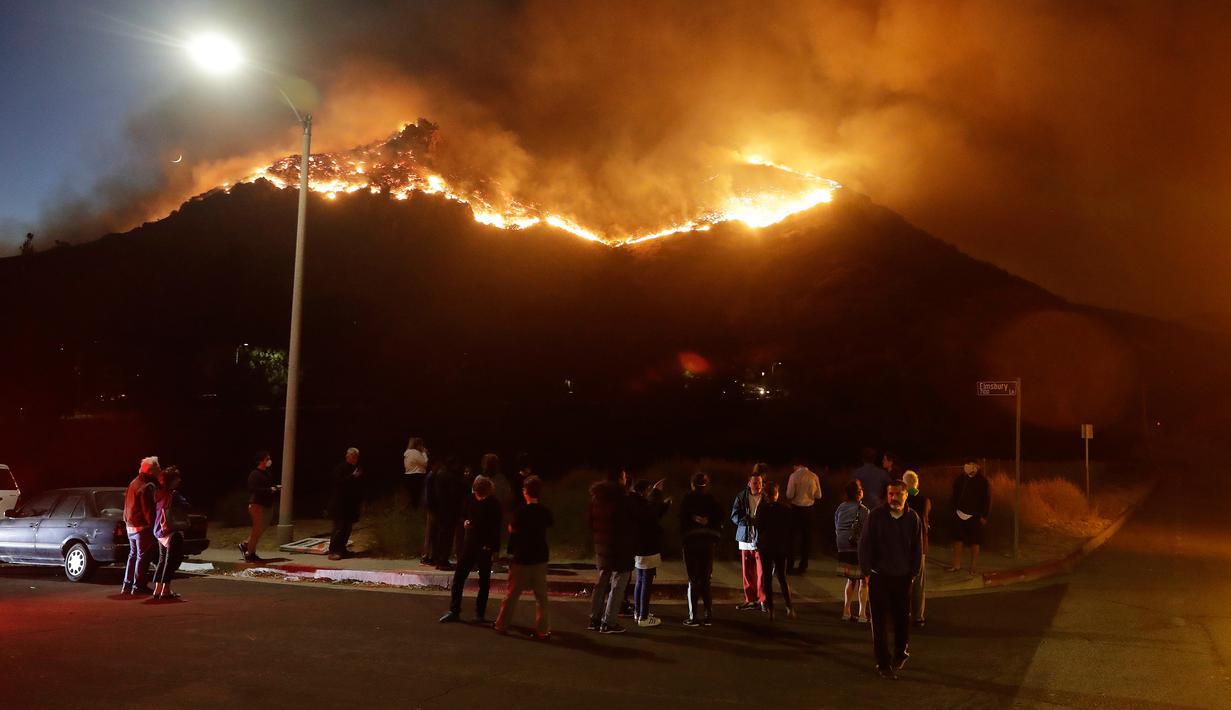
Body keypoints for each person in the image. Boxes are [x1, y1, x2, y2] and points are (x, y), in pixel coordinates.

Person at [859, 479, 923, 680]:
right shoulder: (876, 516)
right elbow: (864, 545)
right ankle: (883, 663)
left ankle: (900, 652)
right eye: (890, 494)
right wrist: (866, 572)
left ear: (906, 494)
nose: (894, 498)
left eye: (898, 494)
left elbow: (917, 548)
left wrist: (912, 573)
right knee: (878, 622)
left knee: (901, 619)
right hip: (879, 576)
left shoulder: (913, 518)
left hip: (903, 577)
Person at [495, 476, 553, 639]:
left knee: (512, 595)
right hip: (540, 557)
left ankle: (502, 624)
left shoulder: (521, 512)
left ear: (525, 491)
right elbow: (549, 523)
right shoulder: (544, 511)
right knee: (541, 597)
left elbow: (513, 529)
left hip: (523, 557)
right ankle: (543, 629)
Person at [440, 475, 503, 624]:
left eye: (482, 495)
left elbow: (496, 528)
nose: (479, 497)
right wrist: (465, 522)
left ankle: (479, 614)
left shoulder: (494, 504)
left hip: (485, 546)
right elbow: (462, 515)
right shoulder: (470, 499)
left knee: (484, 581)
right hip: (469, 544)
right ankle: (454, 611)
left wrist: (494, 548)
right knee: (459, 578)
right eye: (477, 494)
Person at [587, 469, 635, 634]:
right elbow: (628, 522)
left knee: (601, 582)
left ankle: (594, 618)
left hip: (602, 546)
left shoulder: (596, 498)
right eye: (623, 476)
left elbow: (590, 521)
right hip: (620, 547)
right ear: (619, 480)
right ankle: (609, 622)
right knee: (618, 585)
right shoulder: (622, 499)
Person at [679, 471, 722, 627]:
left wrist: (693, 519)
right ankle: (708, 615)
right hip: (708, 542)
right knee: (705, 579)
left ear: (692, 484)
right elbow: (720, 518)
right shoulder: (712, 499)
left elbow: (681, 519)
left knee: (693, 579)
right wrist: (709, 523)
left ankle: (693, 616)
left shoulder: (687, 499)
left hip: (691, 542)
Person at [631, 479, 670, 628]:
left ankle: (638, 611)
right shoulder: (642, 505)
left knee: (640, 580)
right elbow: (654, 513)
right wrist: (659, 495)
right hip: (648, 547)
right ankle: (643, 616)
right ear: (645, 491)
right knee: (646, 582)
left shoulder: (635, 503)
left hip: (639, 547)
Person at [755, 482, 795, 620]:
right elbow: (790, 529)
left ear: (766, 495)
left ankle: (771, 608)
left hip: (766, 545)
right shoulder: (786, 509)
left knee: (767, 577)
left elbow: (759, 527)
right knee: (782, 577)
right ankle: (789, 606)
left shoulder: (762, 509)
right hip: (781, 546)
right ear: (777, 494)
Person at [731, 464, 767, 611]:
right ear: (749, 483)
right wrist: (748, 521)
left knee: (762, 572)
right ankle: (750, 599)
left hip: (761, 540)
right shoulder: (741, 496)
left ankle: (762, 600)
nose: (758, 485)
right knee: (747, 572)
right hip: (745, 539)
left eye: (760, 482)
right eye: (755, 482)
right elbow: (734, 516)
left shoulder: (766, 497)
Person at [121, 456, 160, 595]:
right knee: (142, 557)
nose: (159, 471)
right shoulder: (147, 486)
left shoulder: (133, 483)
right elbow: (148, 509)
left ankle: (127, 585)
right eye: (157, 468)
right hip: (142, 526)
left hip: (130, 525)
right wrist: (154, 526)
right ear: (151, 471)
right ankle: (138, 586)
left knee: (133, 555)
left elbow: (127, 504)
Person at [151, 465, 190, 600]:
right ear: (172, 480)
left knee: (162, 560)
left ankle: (157, 589)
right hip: (172, 530)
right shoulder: (174, 495)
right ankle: (166, 589)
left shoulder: (159, 493)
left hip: (160, 531)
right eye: (177, 478)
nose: (179, 480)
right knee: (171, 561)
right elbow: (186, 505)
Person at [835, 480, 870, 622]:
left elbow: (836, 526)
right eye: (860, 489)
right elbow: (868, 531)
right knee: (864, 581)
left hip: (843, 545)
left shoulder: (840, 508)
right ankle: (862, 614)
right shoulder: (863, 510)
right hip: (858, 547)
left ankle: (846, 611)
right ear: (858, 493)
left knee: (851, 580)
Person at [949, 460, 991, 574]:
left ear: (977, 467)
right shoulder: (961, 479)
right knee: (958, 540)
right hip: (959, 513)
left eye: (971, 465)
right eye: (967, 464)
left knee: (975, 542)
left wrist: (984, 515)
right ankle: (956, 565)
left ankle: (973, 567)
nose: (968, 467)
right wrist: (953, 510)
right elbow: (954, 495)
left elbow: (986, 499)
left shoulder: (982, 481)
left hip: (975, 515)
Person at [903, 470, 931, 626]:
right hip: (920, 545)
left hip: (904, 545)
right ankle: (918, 616)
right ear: (916, 484)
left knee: (904, 580)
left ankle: (903, 611)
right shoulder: (924, 500)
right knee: (919, 582)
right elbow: (926, 520)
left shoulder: (903, 499)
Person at [426, 459, 465, 570]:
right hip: (449, 511)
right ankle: (443, 560)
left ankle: (439, 559)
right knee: (447, 536)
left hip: (441, 510)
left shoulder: (439, 475)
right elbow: (454, 494)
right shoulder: (451, 477)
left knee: (441, 535)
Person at [241, 451, 279, 563]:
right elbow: (253, 489)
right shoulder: (255, 474)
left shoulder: (267, 473)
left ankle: (246, 545)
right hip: (257, 504)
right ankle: (250, 553)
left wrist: (275, 488)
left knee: (261, 528)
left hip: (267, 504)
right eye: (267, 459)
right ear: (261, 460)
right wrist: (269, 490)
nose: (269, 461)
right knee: (256, 530)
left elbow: (268, 486)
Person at [785, 460, 822, 574]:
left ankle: (790, 564)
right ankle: (803, 565)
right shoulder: (814, 476)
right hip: (809, 510)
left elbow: (789, 494)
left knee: (791, 538)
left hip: (796, 509)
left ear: (797, 465)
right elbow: (819, 495)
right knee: (806, 539)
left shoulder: (794, 476)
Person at [328, 448, 364, 560]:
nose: (355, 458)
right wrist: (352, 476)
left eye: (356, 456)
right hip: (341, 504)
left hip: (351, 504)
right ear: (347, 456)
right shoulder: (340, 468)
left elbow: (359, 486)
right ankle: (333, 551)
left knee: (347, 529)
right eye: (353, 456)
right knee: (339, 528)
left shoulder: (356, 469)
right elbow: (338, 484)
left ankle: (342, 549)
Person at [403, 437, 428, 509]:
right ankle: (418, 511)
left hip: (408, 475)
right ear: (418, 445)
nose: (422, 447)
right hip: (417, 475)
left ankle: (413, 511)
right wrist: (424, 453)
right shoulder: (415, 452)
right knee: (418, 495)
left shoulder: (407, 452)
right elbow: (425, 463)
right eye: (421, 445)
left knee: (412, 495)